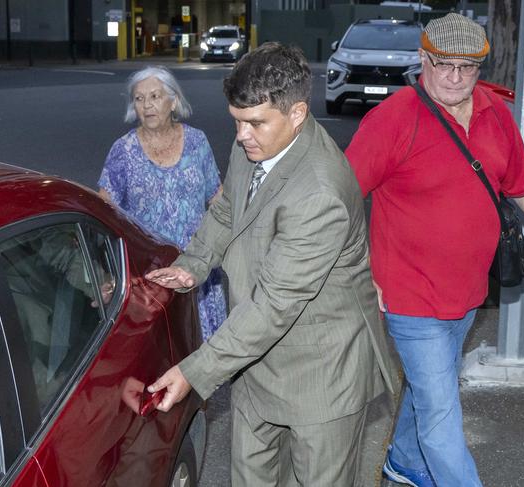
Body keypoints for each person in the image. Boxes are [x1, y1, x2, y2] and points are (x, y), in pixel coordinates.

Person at [145, 42, 400, 486]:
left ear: (297, 113)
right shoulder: (258, 143)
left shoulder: (320, 192)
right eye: (237, 121)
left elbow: (274, 306)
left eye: (254, 123)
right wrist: (195, 263)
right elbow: (228, 210)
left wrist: (195, 371)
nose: (242, 135)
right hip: (256, 361)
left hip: (321, 379)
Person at [346, 13, 524, 487]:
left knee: (429, 389)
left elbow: (523, 184)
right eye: (444, 64)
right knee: (441, 420)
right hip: (411, 296)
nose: (455, 78)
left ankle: (403, 465)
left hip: (469, 293)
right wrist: (360, 268)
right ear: (423, 59)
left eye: (468, 67)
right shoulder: (391, 120)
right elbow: (342, 198)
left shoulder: (494, 112)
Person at [98, 65, 226, 341]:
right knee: (158, 356)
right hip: (149, 274)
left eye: (155, 96)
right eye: (139, 98)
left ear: (174, 101)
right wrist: (110, 271)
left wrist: (223, 251)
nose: (147, 105)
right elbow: (104, 212)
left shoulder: (197, 142)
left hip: (196, 266)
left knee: (200, 355)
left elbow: (217, 200)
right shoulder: (123, 151)